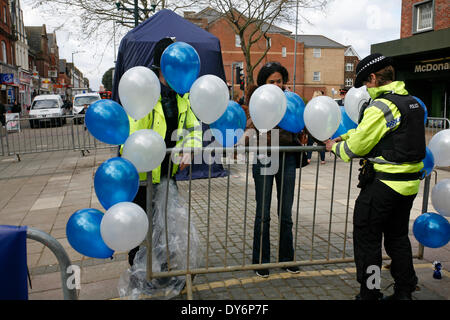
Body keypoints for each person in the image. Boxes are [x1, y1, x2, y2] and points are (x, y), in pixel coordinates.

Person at [325, 53, 426, 300]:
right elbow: (377, 134)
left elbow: (358, 146)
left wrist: (334, 147)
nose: (366, 90)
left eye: (366, 84)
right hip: (408, 186)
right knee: (397, 238)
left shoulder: (381, 106)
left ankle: (370, 293)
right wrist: (346, 136)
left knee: (368, 240)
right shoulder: (411, 102)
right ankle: (404, 290)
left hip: (383, 186)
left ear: (372, 78)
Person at [122, 37, 202, 266]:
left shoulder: (182, 96)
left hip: (167, 171)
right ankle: (140, 272)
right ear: (163, 67)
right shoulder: (145, 92)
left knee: (166, 224)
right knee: (141, 226)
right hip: (142, 174)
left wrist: (190, 148)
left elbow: (193, 128)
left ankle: (162, 268)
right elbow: (134, 132)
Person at [241, 61, 308, 278]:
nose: (277, 85)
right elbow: (250, 124)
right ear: (264, 83)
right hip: (264, 156)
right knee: (263, 212)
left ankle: (287, 258)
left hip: (287, 157)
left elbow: (301, 122)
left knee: (286, 212)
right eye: (272, 81)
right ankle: (261, 261)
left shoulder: (291, 100)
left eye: (280, 81)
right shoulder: (257, 100)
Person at [307, 91, 326, 164]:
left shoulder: (310, 105)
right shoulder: (324, 106)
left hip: (312, 127)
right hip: (320, 127)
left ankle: (309, 158)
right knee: (321, 143)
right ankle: (322, 159)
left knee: (310, 144)